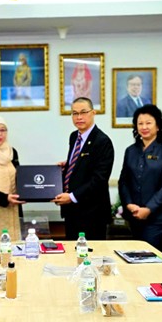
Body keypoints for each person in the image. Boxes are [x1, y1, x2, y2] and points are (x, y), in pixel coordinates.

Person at [117, 105, 162, 251]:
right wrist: (129, 204)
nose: (144, 127)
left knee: (147, 254)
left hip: (158, 216)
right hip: (134, 214)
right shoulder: (131, 151)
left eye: (148, 123)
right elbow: (123, 181)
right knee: (135, 254)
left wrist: (148, 209)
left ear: (158, 126)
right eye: (140, 123)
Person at [54, 97, 115, 240]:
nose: (79, 117)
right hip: (72, 212)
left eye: (83, 112)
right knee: (71, 251)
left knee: (91, 253)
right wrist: (68, 165)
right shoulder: (74, 136)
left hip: (92, 214)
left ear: (93, 113)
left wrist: (72, 197)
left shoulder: (102, 141)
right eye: (75, 113)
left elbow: (99, 179)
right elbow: (82, 164)